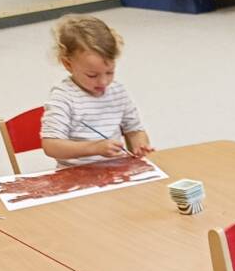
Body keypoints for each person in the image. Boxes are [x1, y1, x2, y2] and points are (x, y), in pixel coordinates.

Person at [40, 14, 154, 165]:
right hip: (76, 174)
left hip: (117, 171)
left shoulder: (117, 91)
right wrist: (94, 148)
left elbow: (134, 130)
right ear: (68, 64)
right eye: (92, 75)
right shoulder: (63, 97)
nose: (103, 82)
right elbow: (51, 146)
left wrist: (141, 146)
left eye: (110, 72)